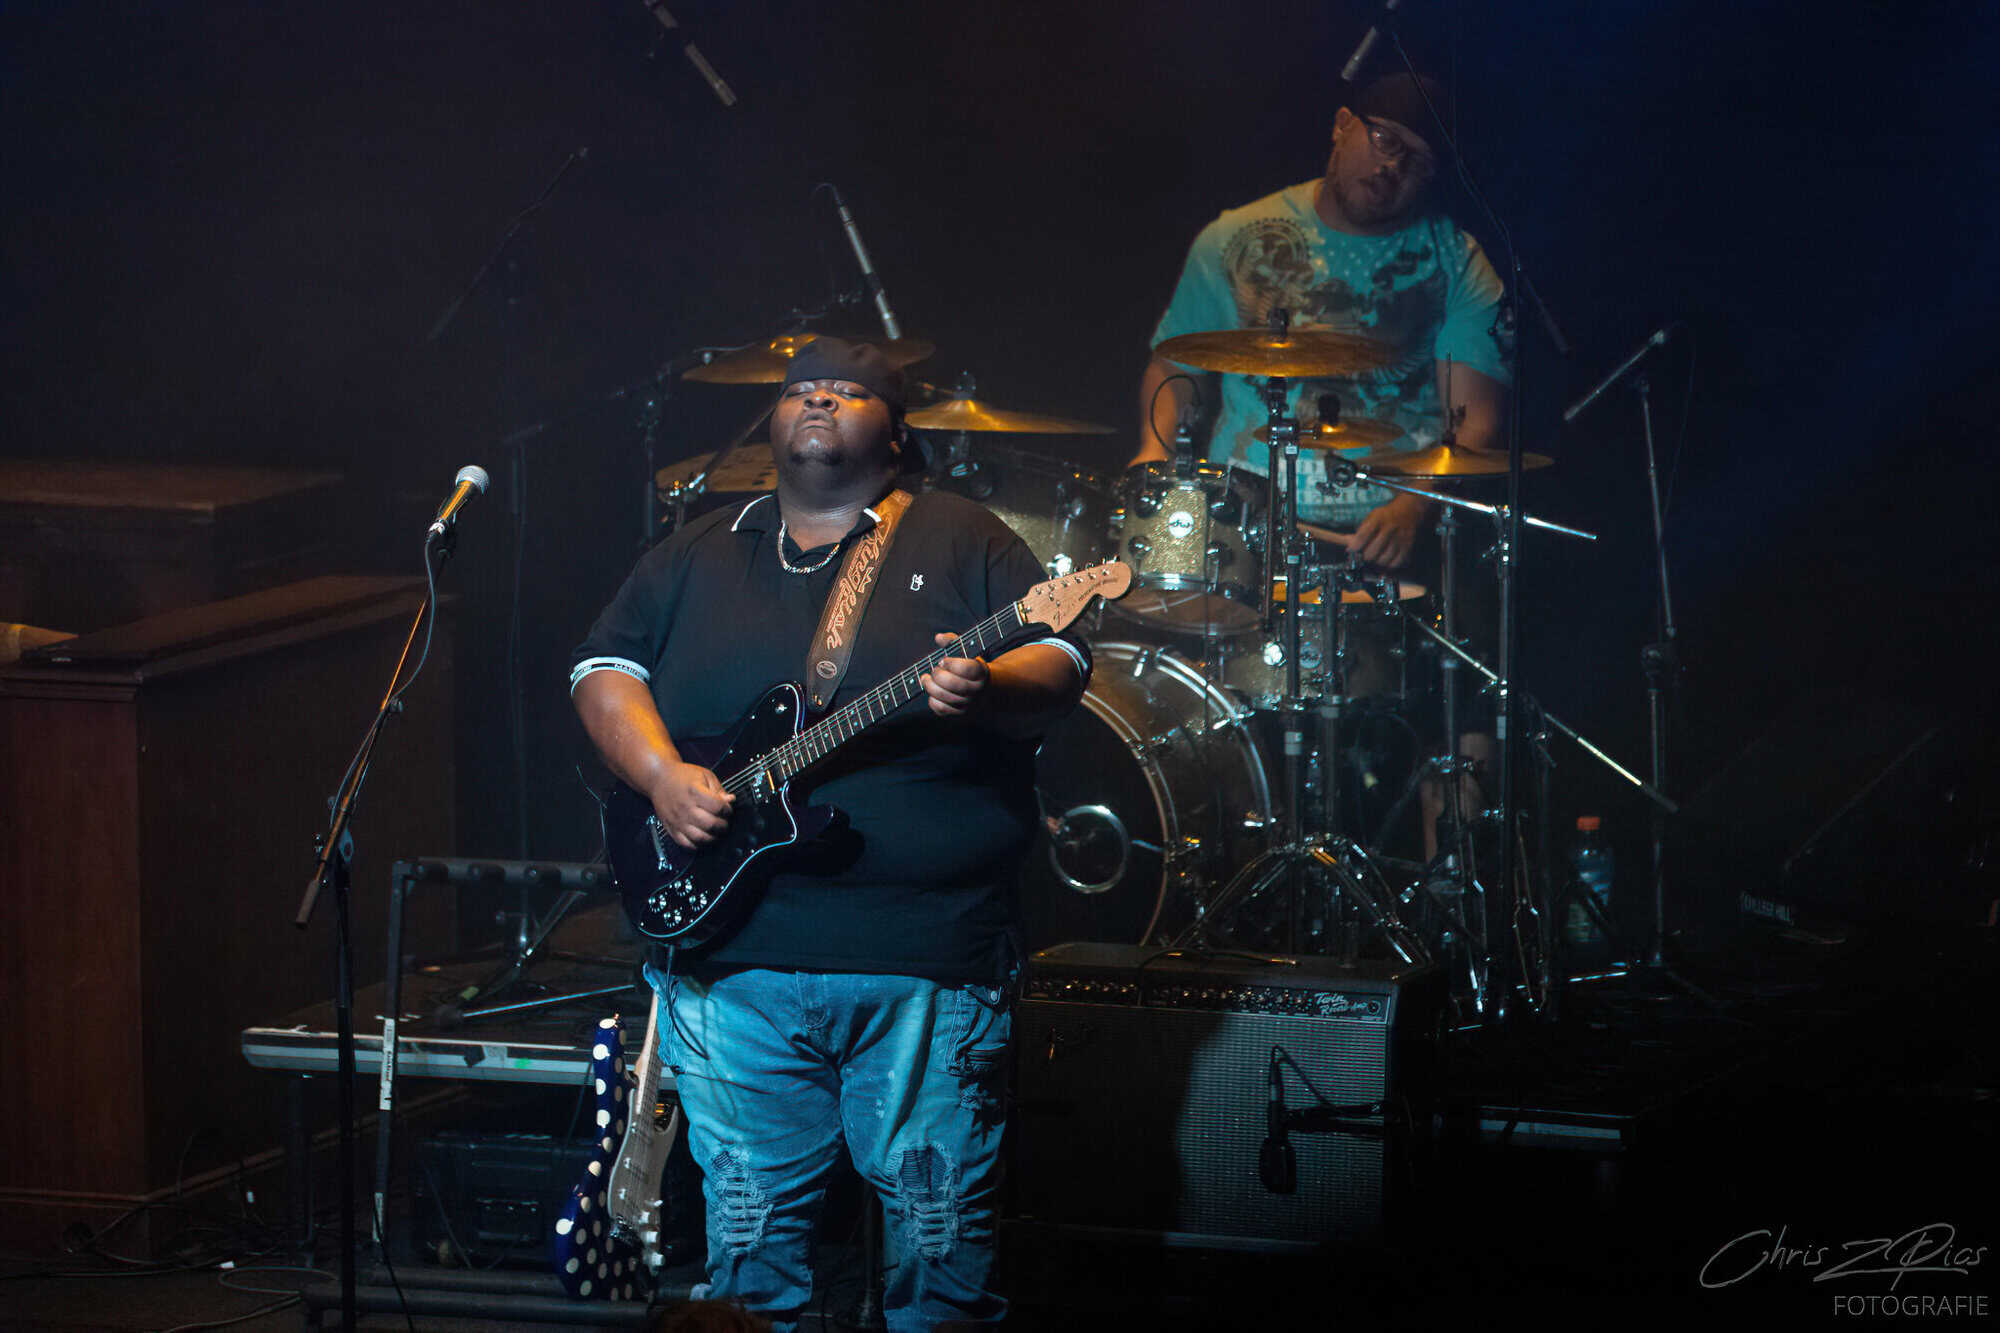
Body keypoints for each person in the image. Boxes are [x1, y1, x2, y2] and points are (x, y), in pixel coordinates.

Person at [570, 338, 1090, 1331]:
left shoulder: (961, 534)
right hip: (732, 959)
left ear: (894, 433)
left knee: (938, 1261)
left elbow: (1062, 660)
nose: (818, 401)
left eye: (847, 392)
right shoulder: (696, 549)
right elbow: (601, 669)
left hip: (922, 958)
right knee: (748, 1263)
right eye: (801, 390)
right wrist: (661, 776)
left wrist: (989, 683)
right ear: (772, 420)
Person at [1133, 71, 1511, 851]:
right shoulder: (1237, 237)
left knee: (1465, 686)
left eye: (1416, 161)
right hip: (1253, 530)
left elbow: (1476, 417)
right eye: (1384, 140)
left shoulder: (1454, 258)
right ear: (1342, 125)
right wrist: (1153, 454)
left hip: (1399, 534)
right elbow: (1175, 368)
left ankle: (1453, 886)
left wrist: (1415, 504)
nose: (1392, 166)